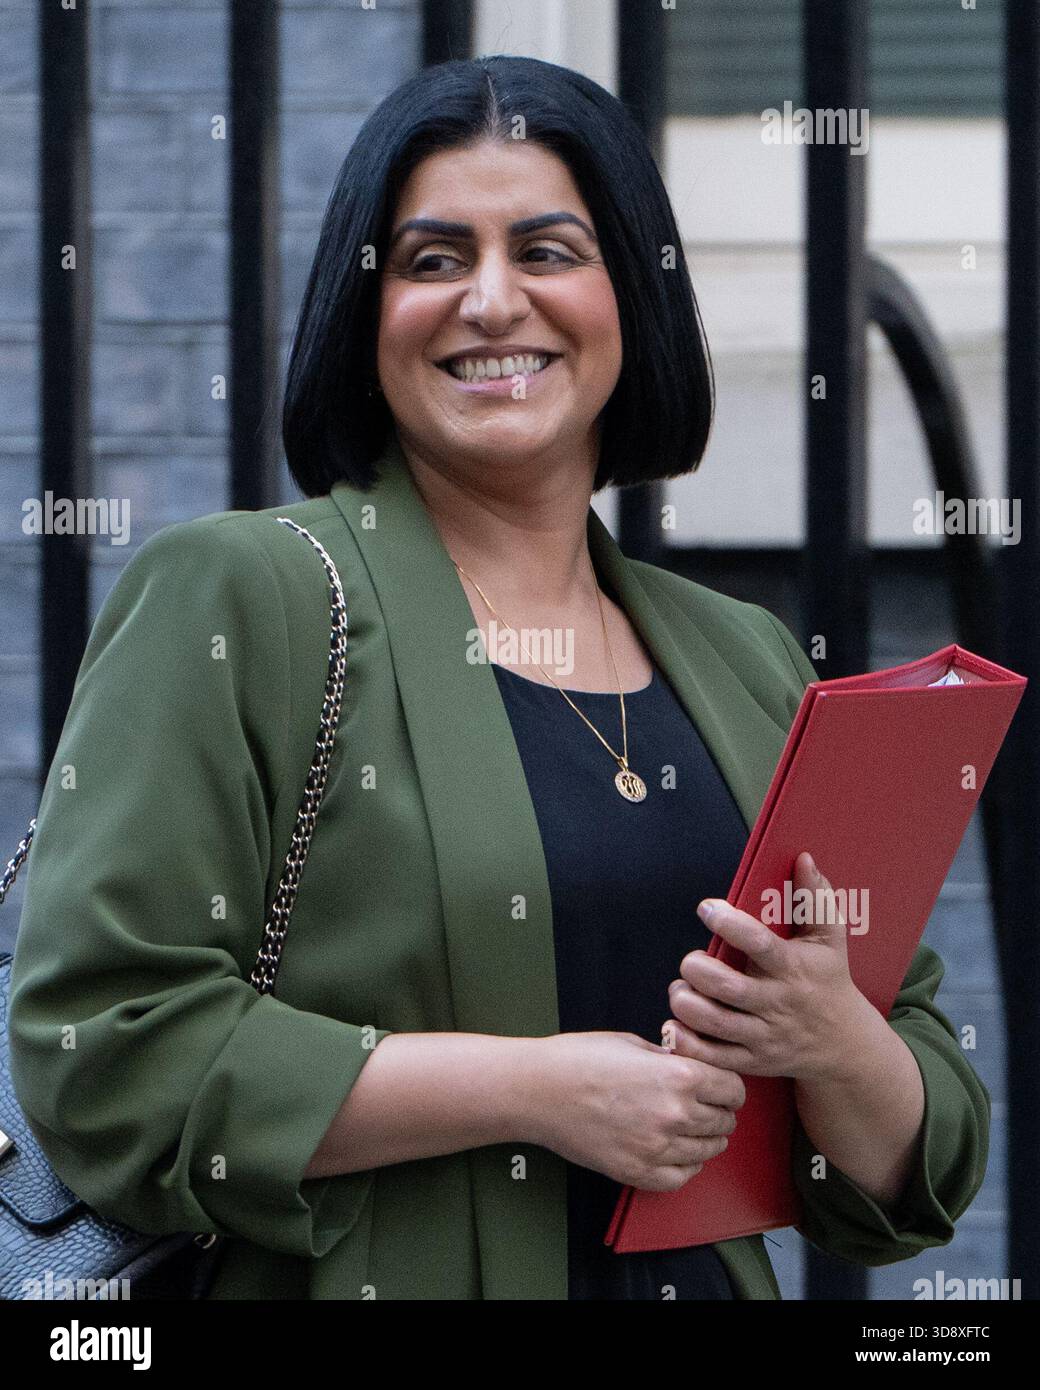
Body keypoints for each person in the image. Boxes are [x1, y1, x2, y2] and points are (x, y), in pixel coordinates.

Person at [9, 55, 989, 1300]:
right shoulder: (240, 598)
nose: (488, 300)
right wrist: (539, 1091)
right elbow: (104, 1051)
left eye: (545, 250)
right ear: (365, 320)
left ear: (628, 292)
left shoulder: (739, 654)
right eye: (428, 260)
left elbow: (916, 1161)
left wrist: (832, 1039)